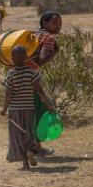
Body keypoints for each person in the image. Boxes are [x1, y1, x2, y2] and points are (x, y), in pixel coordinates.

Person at [0, 46, 55, 170]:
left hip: (15, 111)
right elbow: (40, 91)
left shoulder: (10, 73)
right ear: (26, 58)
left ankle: (25, 163)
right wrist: (48, 105)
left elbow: (8, 93)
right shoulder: (31, 72)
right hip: (29, 109)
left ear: (12, 59)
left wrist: (4, 109)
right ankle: (30, 151)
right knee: (29, 132)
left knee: (18, 135)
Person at [26, 11, 62, 156]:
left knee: (29, 112)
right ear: (45, 23)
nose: (58, 26)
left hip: (18, 76)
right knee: (39, 110)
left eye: (60, 23)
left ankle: (31, 146)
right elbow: (40, 61)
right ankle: (37, 147)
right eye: (55, 23)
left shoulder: (34, 33)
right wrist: (55, 52)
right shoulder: (49, 37)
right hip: (32, 78)